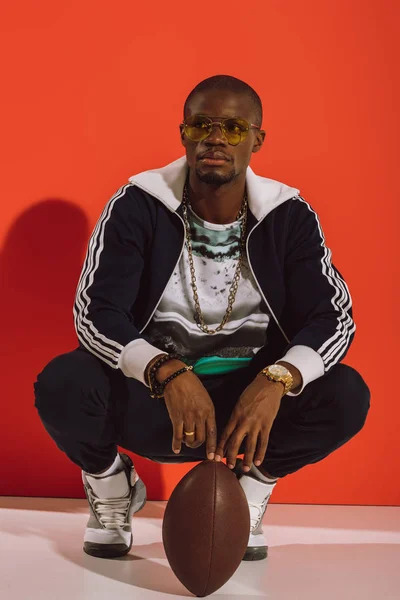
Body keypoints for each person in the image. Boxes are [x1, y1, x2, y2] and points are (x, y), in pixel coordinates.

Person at [34, 74, 370, 562]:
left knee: (345, 393)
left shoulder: (287, 215)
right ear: (184, 134)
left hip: (247, 413)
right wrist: (164, 372)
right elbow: (95, 314)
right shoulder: (138, 205)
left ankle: (248, 492)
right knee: (64, 382)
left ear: (257, 139)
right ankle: (111, 488)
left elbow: (333, 316)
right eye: (202, 125)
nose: (215, 138)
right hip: (157, 405)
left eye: (233, 128)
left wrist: (277, 379)